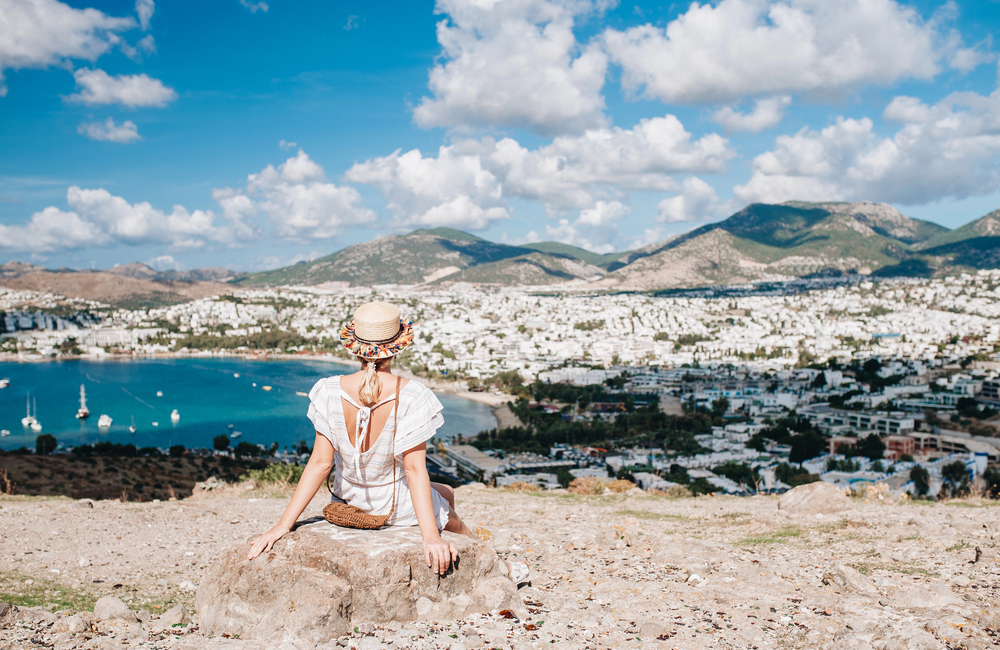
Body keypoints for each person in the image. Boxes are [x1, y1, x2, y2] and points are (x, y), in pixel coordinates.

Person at [246, 301, 529, 585]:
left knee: (447, 491)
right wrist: (430, 537)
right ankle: (498, 568)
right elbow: (414, 470)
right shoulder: (413, 395)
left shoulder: (327, 390)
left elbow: (320, 464)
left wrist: (282, 525)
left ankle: (457, 531)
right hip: (393, 507)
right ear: (398, 346)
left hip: (350, 498)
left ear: (354, 345)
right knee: (451, 515)